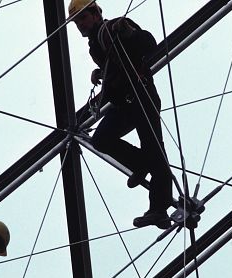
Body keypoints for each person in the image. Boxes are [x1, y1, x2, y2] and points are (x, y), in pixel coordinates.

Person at [69, 0, 173, 229]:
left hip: (141, 94)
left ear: (96, 13)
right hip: (127, 102)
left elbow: (148, 44)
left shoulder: (114, 27)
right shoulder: (97, 43)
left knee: (153, 147)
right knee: (102, 139)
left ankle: (159, 206)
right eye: (77, 22)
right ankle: (142, 163)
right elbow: (118, 65)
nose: (80, 25)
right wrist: (101, 72)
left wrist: (129, 34)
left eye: (82, 18)